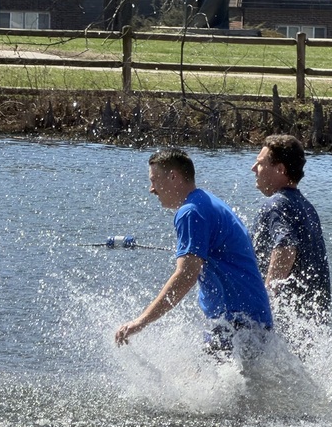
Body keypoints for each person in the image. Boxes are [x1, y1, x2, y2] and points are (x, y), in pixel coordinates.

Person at [115, 148, 272, 351]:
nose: (151, 189)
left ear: (173, 176)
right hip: (252, 320)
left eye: (154, 180)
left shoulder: (190, 212)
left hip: (236, 323)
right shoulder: (206, 200)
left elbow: (186, 275)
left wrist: (141, 321)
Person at [250, 135, 331, 322]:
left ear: (280, 169)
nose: (254, 169)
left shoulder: (276, 204)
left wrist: (266, 303)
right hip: (311, 321)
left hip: (283, 320)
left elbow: (286, 248)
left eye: (260, 164)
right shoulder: (306, 206)